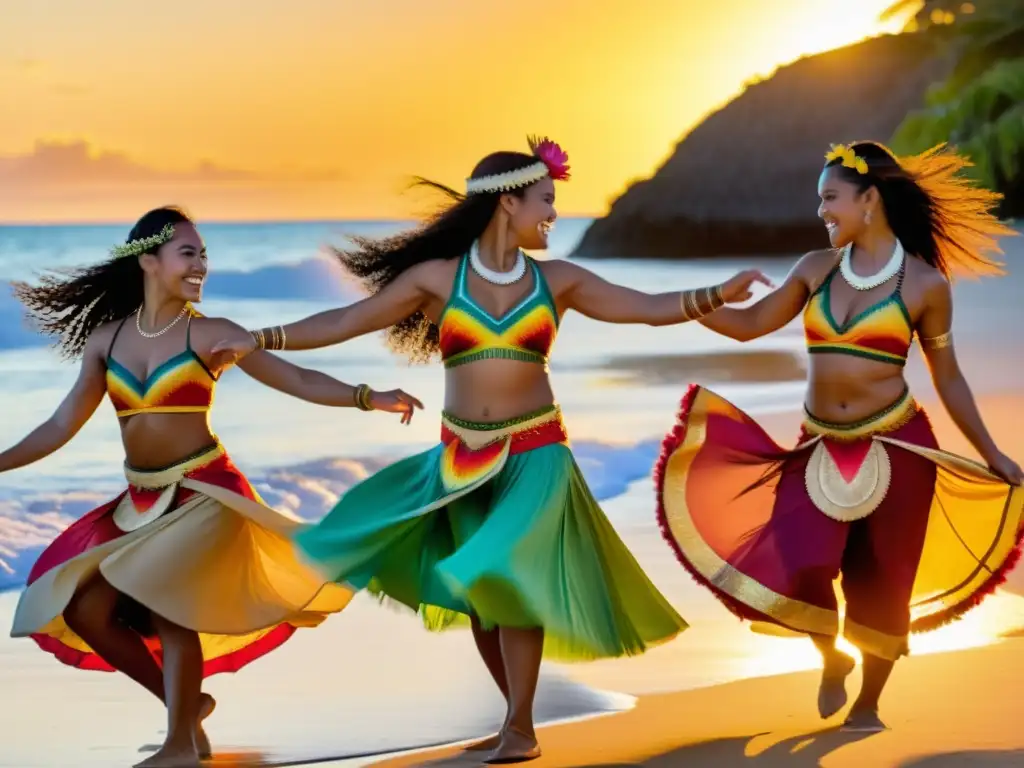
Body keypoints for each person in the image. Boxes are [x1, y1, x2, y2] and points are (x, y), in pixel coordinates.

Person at [209, 136, 771, 762]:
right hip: (461, 460)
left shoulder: (559, 281)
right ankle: (515, 713)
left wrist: (717, 293)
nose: (554, 214)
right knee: (481, 598)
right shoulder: (435, 279)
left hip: (537, 454)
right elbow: (344, 322)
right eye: (546, 200)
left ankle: (521, 728)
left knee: (506, 575)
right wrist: (255, 339)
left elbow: (642, 308)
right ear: (508, 204)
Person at [4, 206, 423, 768]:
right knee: (87, 610)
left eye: (204, 254)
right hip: (141, 500)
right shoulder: (106, 341)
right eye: (189, 253)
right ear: (148, 261)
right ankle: (188, 707)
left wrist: (367, 396)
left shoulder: (214, 334)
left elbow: (295, 378)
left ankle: (179, 745)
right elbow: (59, 426)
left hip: (205, 490)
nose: (202, 264)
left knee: (173, 605)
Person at [656, 141, 1024, 733]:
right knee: (801, 563)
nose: (822, 211)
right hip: (817, 444)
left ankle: (869, 704)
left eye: (831, 198)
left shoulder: (926, 285)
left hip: (899, 447)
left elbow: (947, 378)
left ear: (870, 200)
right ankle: (831, 656)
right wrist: (692, 302)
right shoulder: (815, 269)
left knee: (882, 582)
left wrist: (993, 453)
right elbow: (752, 325)